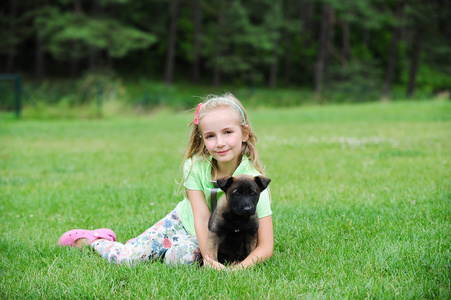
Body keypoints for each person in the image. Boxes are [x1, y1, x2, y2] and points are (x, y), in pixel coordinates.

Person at [58, 93, 274, 270]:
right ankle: (95, 240)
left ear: (244, 133)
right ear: (201, 138)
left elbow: (265, 245)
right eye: (210, 136)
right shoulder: (195, 166)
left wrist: (240, 268)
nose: (219, 143)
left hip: (216, 239)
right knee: (128, 259)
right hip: (182, 223)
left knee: (182, 260)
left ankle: (169, 251)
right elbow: (200, 217)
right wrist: (210, 259)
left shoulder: (253, 182)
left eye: (228, 132)